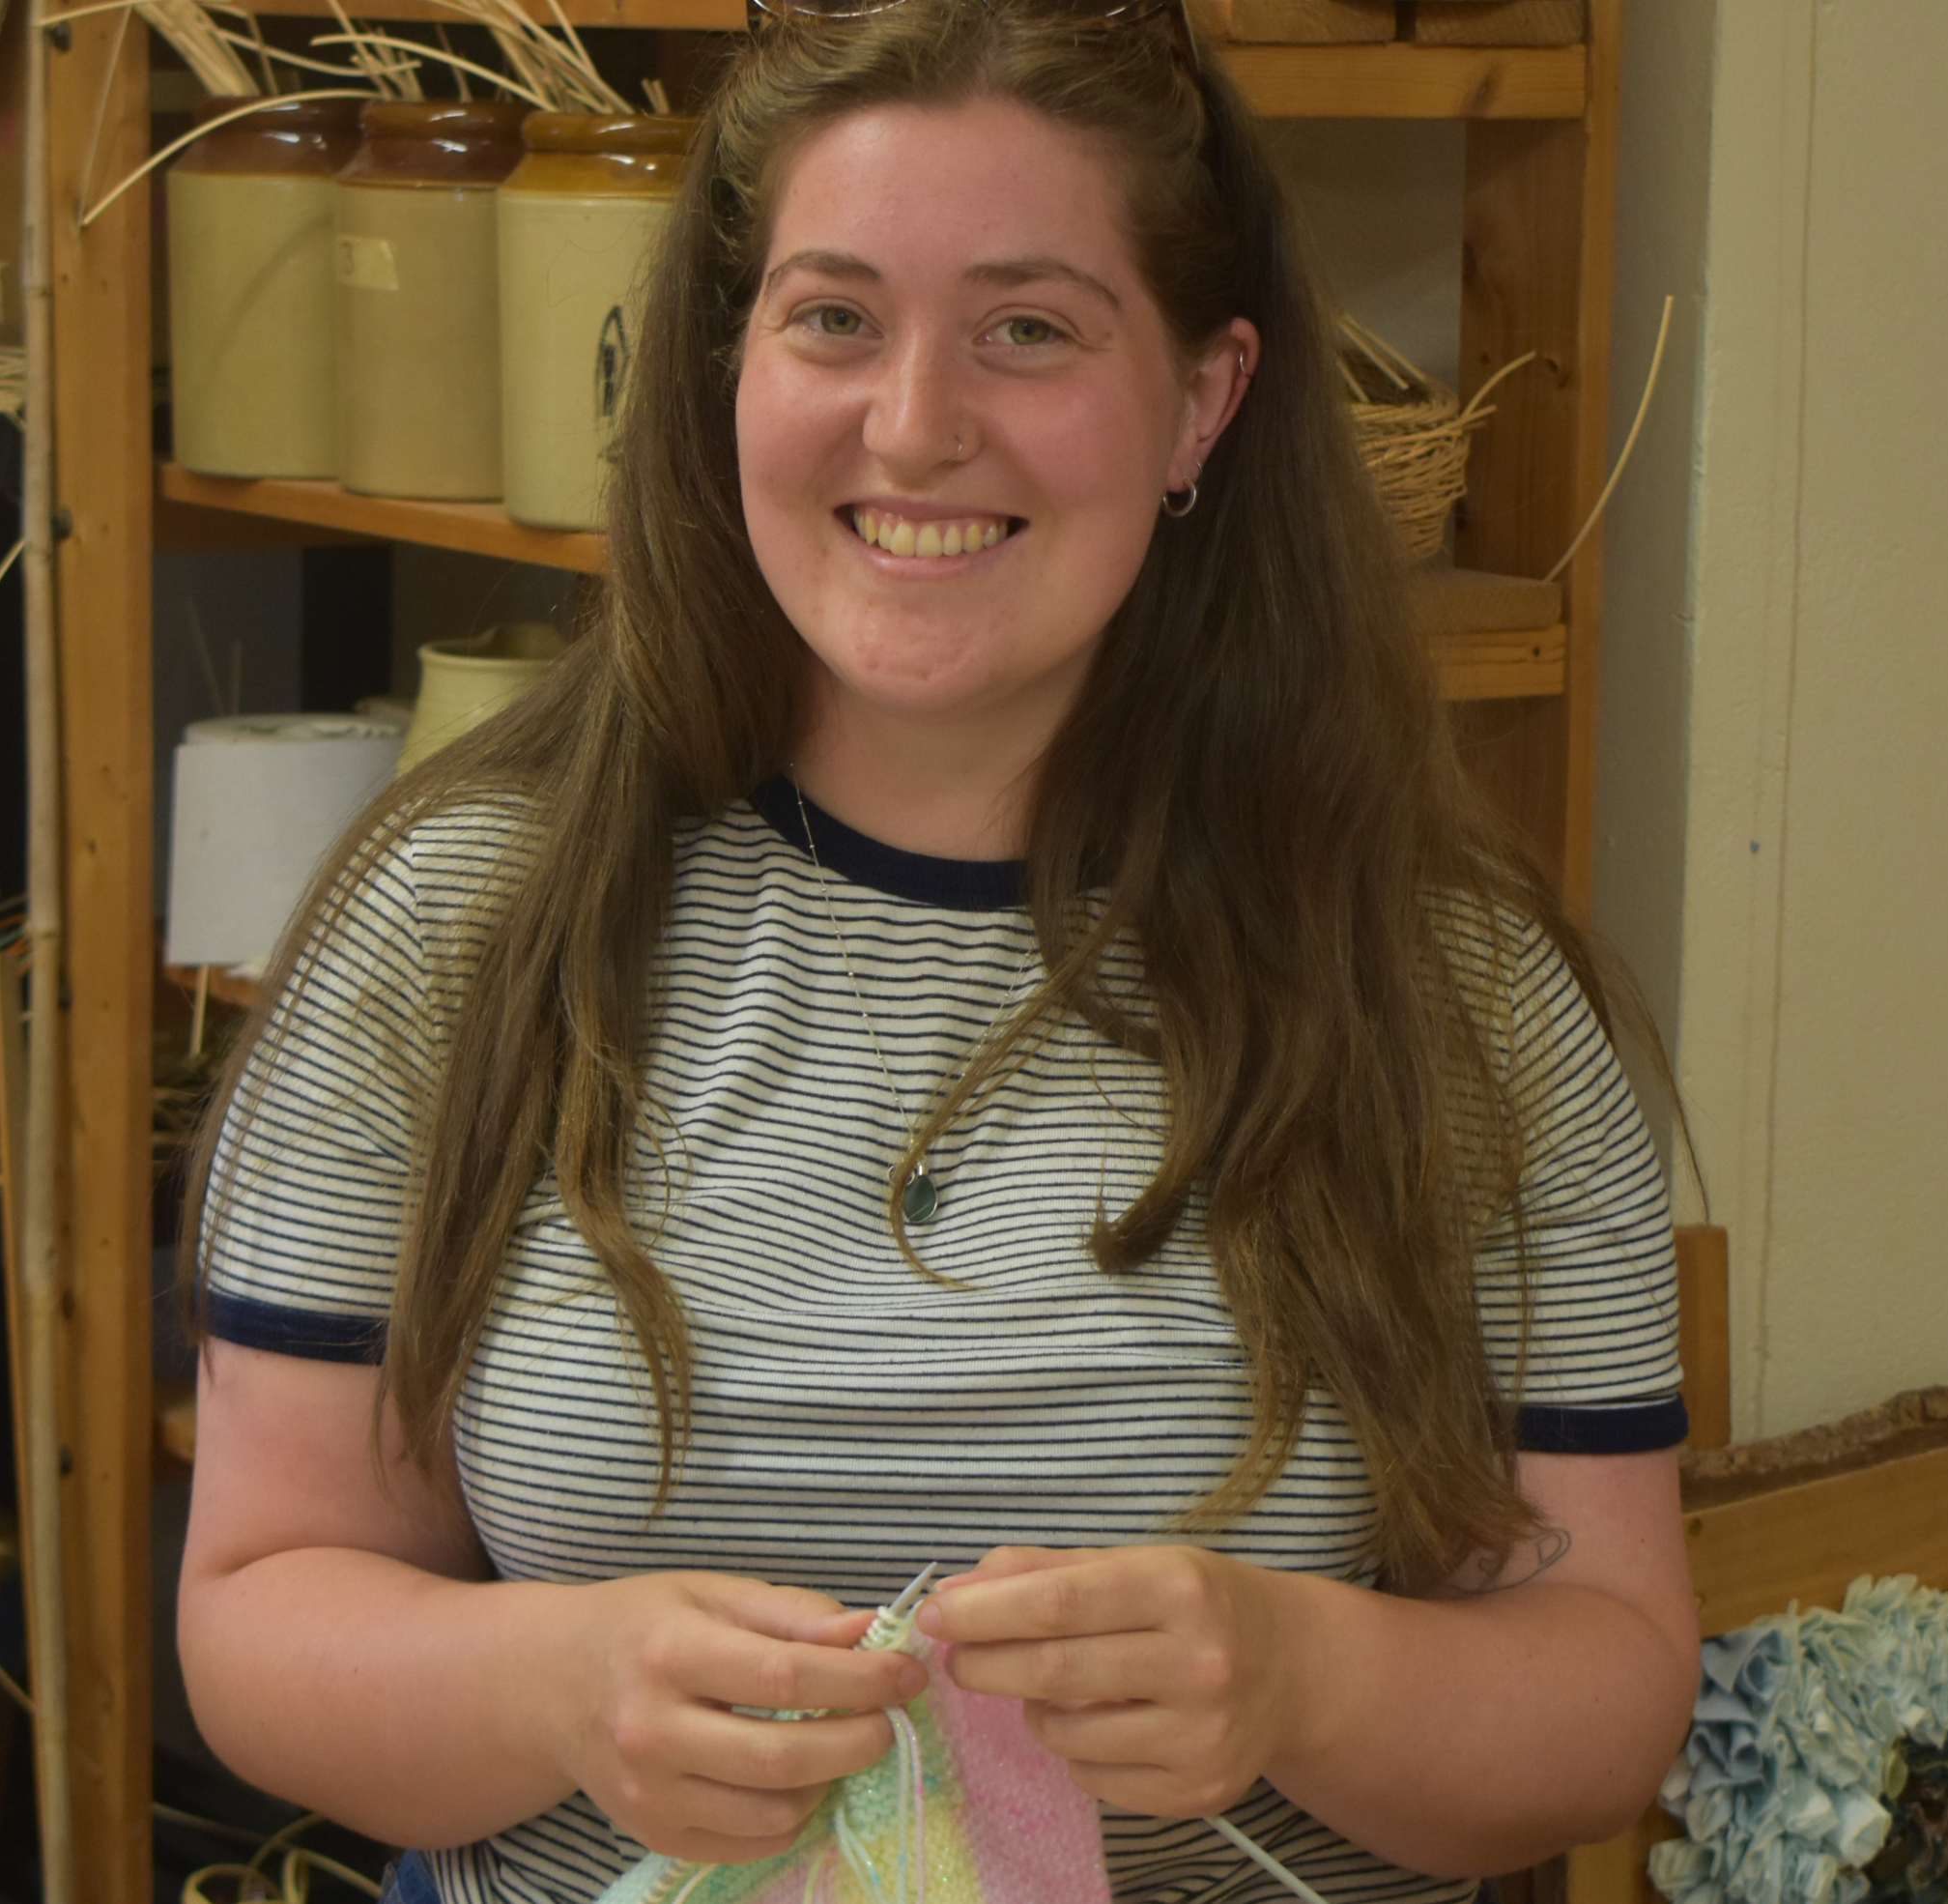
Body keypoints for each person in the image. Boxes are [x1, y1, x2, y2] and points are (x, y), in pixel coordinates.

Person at [176, 1, 1702, 1899]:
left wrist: (1302, 1677)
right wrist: (553, 1684)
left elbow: (1609, 1681)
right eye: (831, 316)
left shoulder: (1454, 997)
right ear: (724, 361)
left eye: (1028, 329)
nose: (911, 425)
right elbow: (257, 1610)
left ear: (1202, 402)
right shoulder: (453, 924)